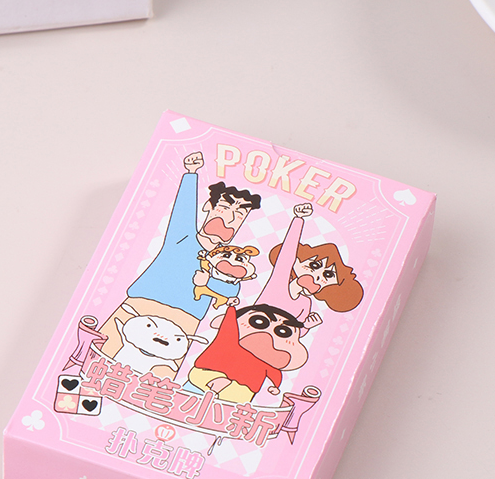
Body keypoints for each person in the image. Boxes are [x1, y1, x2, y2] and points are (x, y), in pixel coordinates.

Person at [99, 152, 261, 359]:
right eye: (224, 208)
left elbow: (231, 289)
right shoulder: (182, 236)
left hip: (185, 319)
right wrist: (191, 173)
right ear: (208, 207)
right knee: (101, 350)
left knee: (160, 368)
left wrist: (208, 282)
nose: (230, 218)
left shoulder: (230, 260)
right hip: (142, 302)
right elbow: (183, 209)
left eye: (240, 214)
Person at [256, 203, 363, 334]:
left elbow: (296, 334)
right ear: (297, 260)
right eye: (314, 265)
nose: (317, 275)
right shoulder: (279, 281)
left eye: (328, 275)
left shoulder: (305, 303)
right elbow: (288, 251)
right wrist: (298, 219)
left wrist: (306, 326)